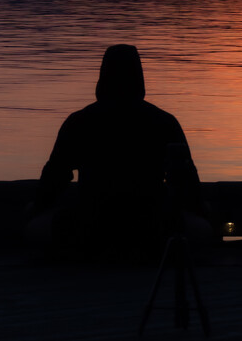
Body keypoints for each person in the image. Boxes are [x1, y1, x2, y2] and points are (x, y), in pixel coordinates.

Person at [28, 44, 209, 259]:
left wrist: (36, 208)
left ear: (103, 76)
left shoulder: (79, 121)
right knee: (200, 229)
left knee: (34, 228)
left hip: (90, 224)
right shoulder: (164, 122)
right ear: (139, 77)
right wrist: (198, 210)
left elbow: (55, 177)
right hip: (151, 225)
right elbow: (185, 180)